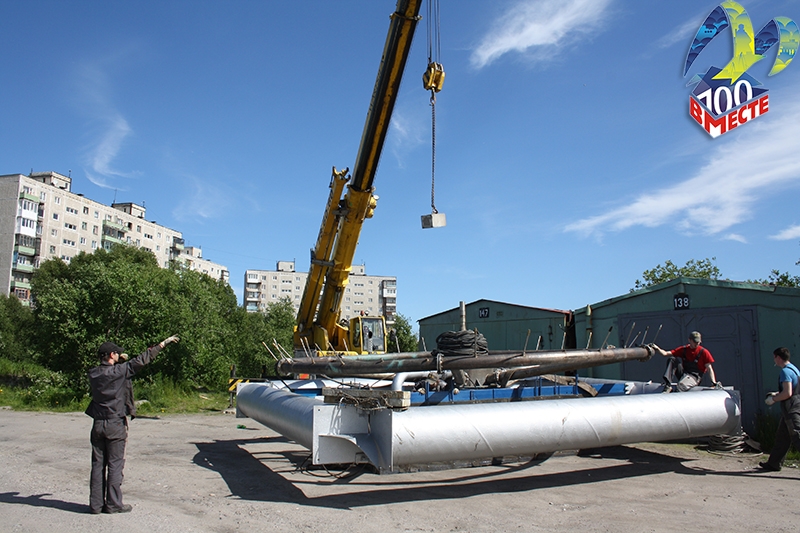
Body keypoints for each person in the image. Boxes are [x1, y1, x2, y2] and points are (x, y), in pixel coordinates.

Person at [86, 335, 179, 514]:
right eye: (116, 353)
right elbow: (142, 360)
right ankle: (113, 504)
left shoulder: (94, 373)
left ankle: (95, 505)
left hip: (98, 424)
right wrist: (162, 344)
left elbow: (109, 375)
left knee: (97, 465)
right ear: (111, 355)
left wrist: (118, 362)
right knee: (115, 465)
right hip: (115, 424)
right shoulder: (120, 371)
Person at [759, 347, 800, 472]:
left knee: (797, 435)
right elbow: (792, 389)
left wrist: (773, 399)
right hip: (796, 403)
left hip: (791, 408)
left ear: (778, 357)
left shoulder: (785, 372)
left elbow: (787, 393)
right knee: (782, 437)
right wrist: (777, 393)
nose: (774, 360)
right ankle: (774, 463)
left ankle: (774, 463)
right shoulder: (794, 369)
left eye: (774, 357)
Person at [653, 331, 717, 393]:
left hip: (695, 377)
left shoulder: (704, 352)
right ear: (689, 340)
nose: (696, 344)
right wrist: (657, 349)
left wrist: (713, 383)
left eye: (698, 342)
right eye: (695, 342)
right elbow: (665, 354)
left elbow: (709, 368)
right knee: (672, 359)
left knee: (680, 387)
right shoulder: (684, 349)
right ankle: (668, 385)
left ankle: (676, 395)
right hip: (684, 374)